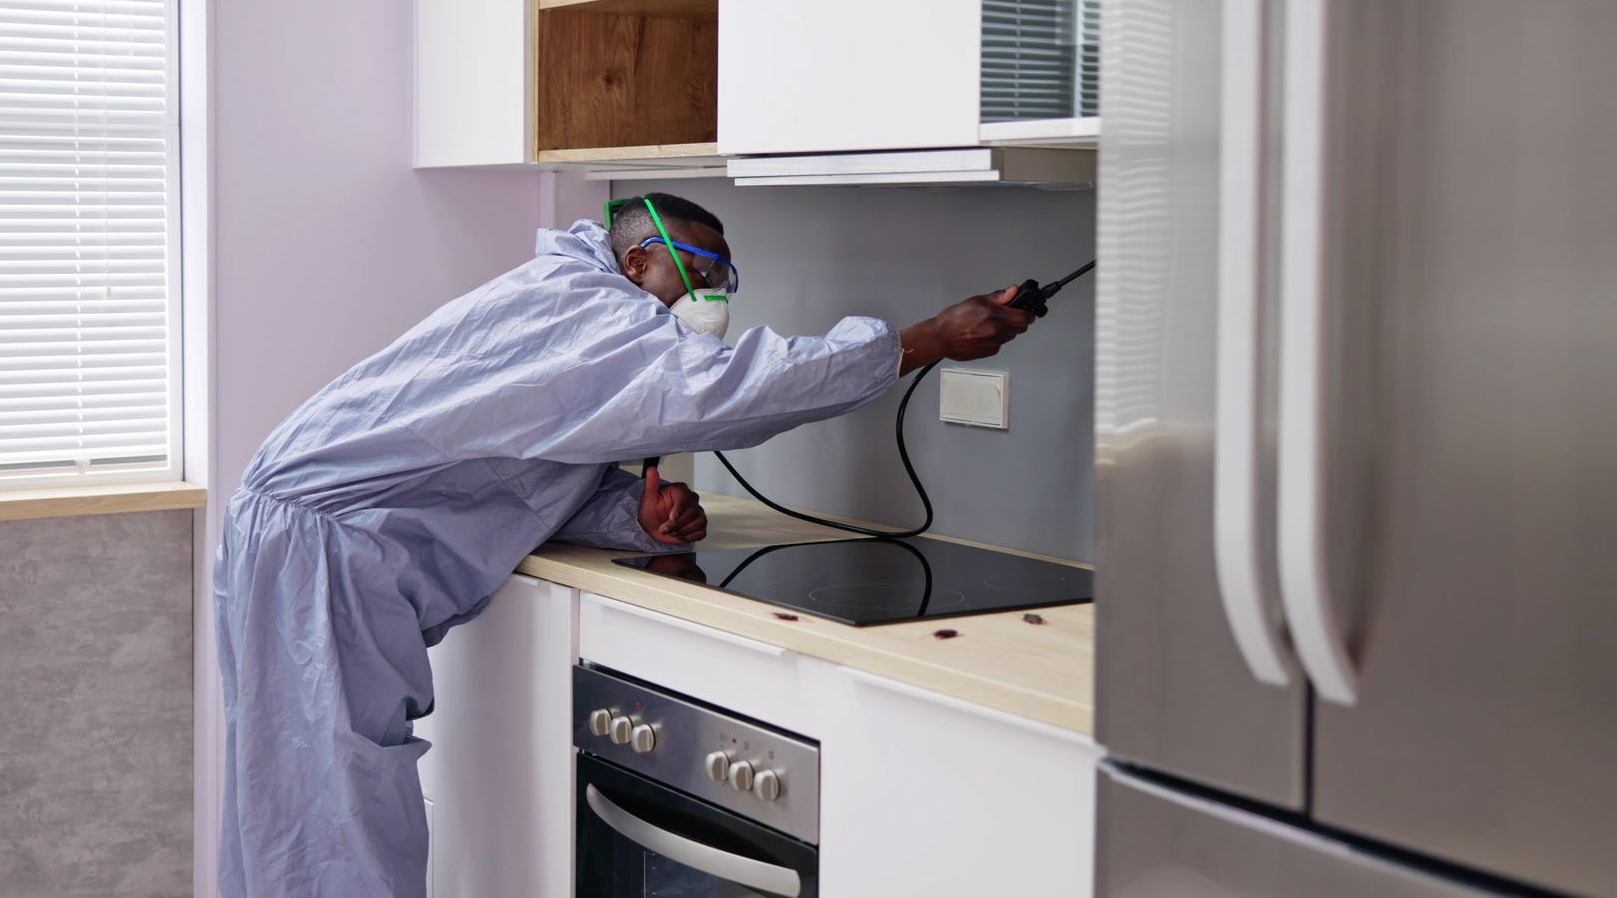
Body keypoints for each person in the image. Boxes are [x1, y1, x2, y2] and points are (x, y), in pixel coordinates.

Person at [214, 193, 1034, 896]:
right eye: (705, 275)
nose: (711, 297)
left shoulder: (580, 315)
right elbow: (725, 387)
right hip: (320, 548)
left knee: (299, 799)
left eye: (723, 284)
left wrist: (632, 518)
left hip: (312, 541)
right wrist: (921, 340)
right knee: (337, 809)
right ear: (643, 257)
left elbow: (508, 469)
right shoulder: (582, 309)